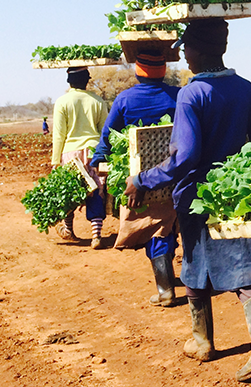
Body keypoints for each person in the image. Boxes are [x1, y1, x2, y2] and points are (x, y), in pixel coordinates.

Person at [123, 19, 251, 383]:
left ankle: (205, 341)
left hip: (195, 196)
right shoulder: (245, 88)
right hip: (236, 194)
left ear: (199, 50)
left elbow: (185, 155)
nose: (183, 55)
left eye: (186, 48)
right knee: (246, 266)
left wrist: (142, 180)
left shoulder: (192, 94)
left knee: (194, 264)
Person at [89, 48, 182, 307]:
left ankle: (165, 289)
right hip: (175, 174)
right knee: (170, 224)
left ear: (138, 73)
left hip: (139, 181)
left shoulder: (125, 99)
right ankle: (177, 278)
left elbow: (108, 135)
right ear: (163, 71)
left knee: (154, 227)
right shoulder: (177, 96)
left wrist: (98, 159)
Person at [51, 66, 109, 248]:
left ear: (69, 82)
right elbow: (105, 132)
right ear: (87, 80)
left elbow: (59, 135)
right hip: (94, 152)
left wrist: (55, 162)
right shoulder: (98, 101)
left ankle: (68, 230)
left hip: (71, 153)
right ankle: (96, 235)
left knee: (71, 191)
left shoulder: (62, 102)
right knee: (97, 190)